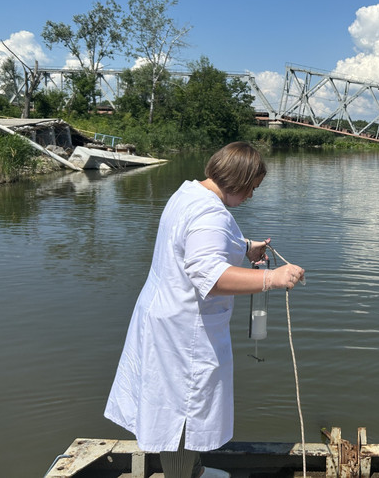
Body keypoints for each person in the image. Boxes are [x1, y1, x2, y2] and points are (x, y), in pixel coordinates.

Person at [105, 141, 305, 478]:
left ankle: (191, 471)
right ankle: (184, 475)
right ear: (238, 181)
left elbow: (196, 244)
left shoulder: (189, 194)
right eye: (252, 189)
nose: (252, 197)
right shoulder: (210, 213)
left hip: (165, 317)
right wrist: (272, 277)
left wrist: (244, 247)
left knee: (178, 405)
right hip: (185, 331)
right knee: (185, 410)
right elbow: (210, 277)